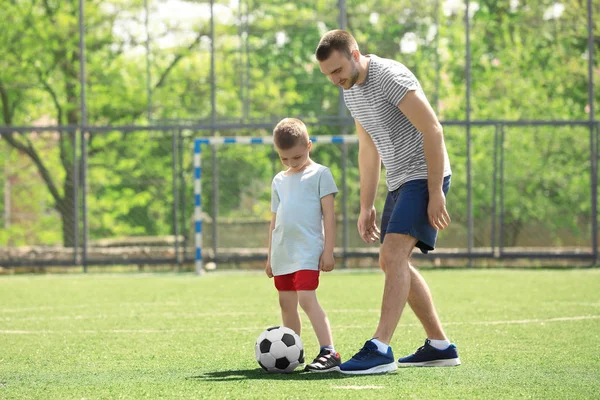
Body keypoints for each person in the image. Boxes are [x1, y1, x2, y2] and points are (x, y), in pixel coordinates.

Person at [315, 30, 460, 374]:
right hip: (399, 180)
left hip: (424, 175)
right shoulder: (352, 93)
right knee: (392, 260)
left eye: (337, 71)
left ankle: (379, 348)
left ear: (354, 53)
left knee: (393, 254)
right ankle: (440, 345)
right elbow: (369, 149)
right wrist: (367, 205)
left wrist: (436, 189)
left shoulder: (389, 77)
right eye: (328, 76)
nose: (335, 80)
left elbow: (433, 130)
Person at [265, 117, 342, 372]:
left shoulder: (321, 174)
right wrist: (269, 257)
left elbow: (329, 216)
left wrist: (328, 251)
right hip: (283, 253)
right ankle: (293, 352)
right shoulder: (278, 180)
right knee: (286, 303)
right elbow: (274, 220)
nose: (290, 163)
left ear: (309, 145)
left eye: (296, 157)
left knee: (307, 299)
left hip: (308, 252)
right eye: (284, 159)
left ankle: (329, 351)